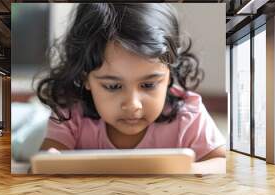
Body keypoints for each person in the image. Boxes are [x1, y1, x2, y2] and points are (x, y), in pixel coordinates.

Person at [36, 3, 226, 173]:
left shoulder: (189, 115)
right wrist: (50, 160)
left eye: (149, 84)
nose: (133, 104)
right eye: (113, 86)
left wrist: (190, 169)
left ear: (169, 74)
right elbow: (44, 165)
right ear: (85, 77)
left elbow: (221, 162)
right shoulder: (70, 112)